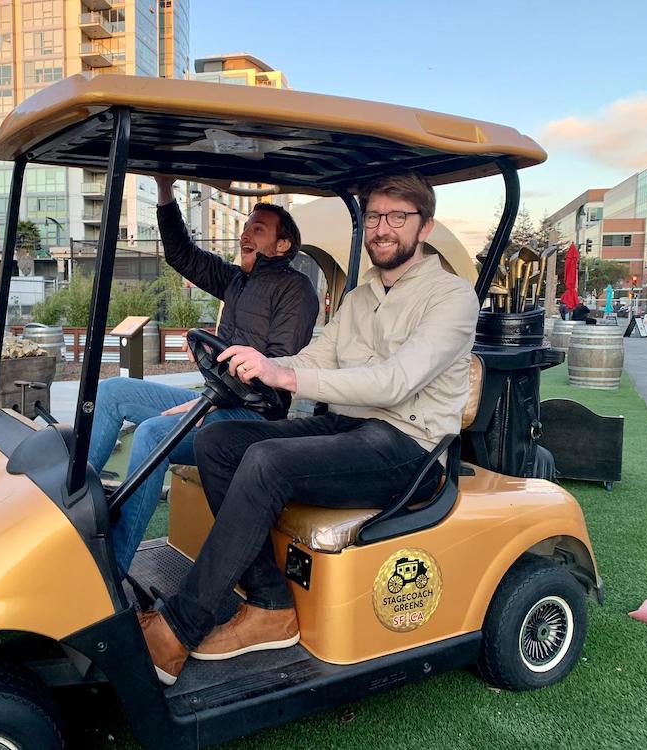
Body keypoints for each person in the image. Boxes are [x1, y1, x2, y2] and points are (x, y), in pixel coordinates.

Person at [137, 170, 480, 685]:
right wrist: (253, 367)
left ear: (424, 228)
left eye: (397, 217)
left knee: (268, 461)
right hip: (349, 429)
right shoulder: (363, 295)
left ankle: (180, 629)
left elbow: (395, 382)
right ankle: (271, 606)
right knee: (218, 442)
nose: (383, 228)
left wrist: (285, 374)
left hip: (410, 449)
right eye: (376, 216)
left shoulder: (451, 298)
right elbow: (317, 355)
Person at [89, 177, 319, 576]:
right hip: (215, 400)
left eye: (258, 229)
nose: (246, 233)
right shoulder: (236, 281)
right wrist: (164, 192)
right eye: (247, 226)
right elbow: (182, 255)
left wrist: (203, 406)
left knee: (150, 435)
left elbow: (279, 367)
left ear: (282, 246)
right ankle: (76, 509)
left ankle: (110, 573)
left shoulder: (296, 291)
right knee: (112, 391)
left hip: (254, 418)